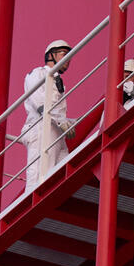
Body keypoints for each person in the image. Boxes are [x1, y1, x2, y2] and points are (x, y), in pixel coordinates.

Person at [21, 39, 76, 189]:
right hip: (41, 128)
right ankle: (32, 199)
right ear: (51, 55)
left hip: (56, 132)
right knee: (38, 175)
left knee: (61, 174)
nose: (68, 59)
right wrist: (61, 121)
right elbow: (40, 102)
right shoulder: (38, 73)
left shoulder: (59, 82)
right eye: (64, 54)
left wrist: (70, 122)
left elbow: (57, 111)